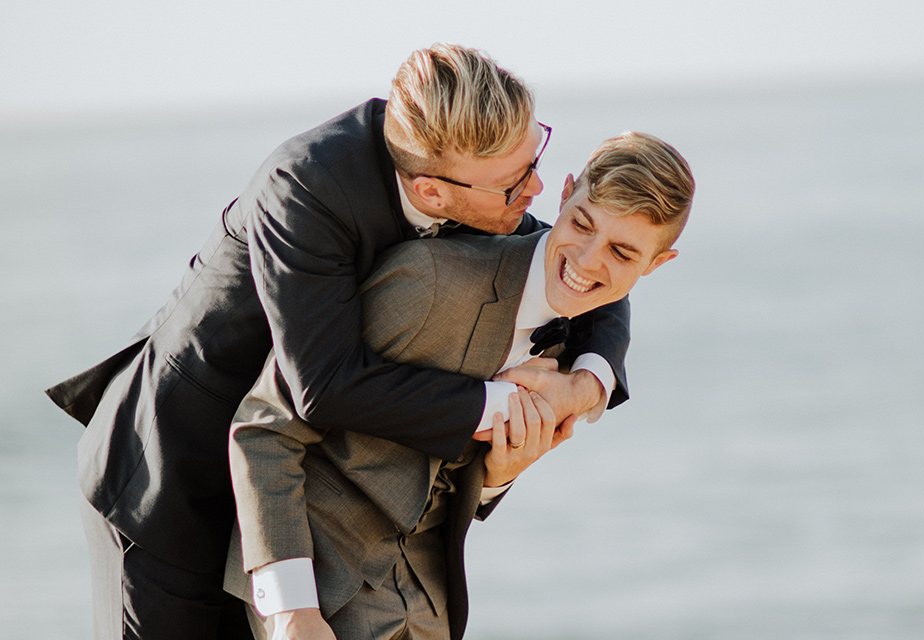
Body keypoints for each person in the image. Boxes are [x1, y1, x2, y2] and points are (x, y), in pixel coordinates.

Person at [44, 44, 631, 639]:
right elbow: (323, 386)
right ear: (431, 192)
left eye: (536, 160)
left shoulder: (469, 171)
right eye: (513, 186)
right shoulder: (306, 184)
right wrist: (504, 406)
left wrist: (585, 386)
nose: (533, 193)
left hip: (282, 496)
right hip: (172, 478)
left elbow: (588, 275)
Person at [224, 132, 695, 640]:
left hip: (432, 604)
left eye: (623, 253)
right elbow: (265, 429)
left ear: (657, 265)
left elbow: (441, 483)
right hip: (321, 587)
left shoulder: (568, 352)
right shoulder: (430, 283)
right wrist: (292, 612)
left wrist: (498, 475)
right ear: (563, 196)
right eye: (581, 223)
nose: (585, 260)